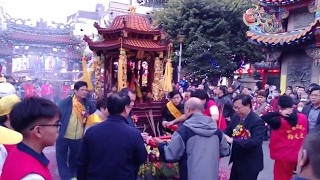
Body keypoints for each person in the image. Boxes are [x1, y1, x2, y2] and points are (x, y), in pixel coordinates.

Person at [154, 97, 230, 180]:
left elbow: (171, 155)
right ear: (202, 109)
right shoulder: (216, 130)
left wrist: (161, 145)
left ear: (188, 109)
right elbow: (225, 151)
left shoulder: (183, 131)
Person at [77, 93, 147, 180]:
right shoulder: (134, 134)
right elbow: (141, 158)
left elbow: (82, 163)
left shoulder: (91, 132)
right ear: (125, 108)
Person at [1, 97, 61, 180]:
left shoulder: (17, 149)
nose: (57, 130)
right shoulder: (33, 177)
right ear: (38, 131)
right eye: (56, 124)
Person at [261, 95, 308, 180]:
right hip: (297, 154)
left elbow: (264, 117)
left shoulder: (279, 121)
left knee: (280, 177)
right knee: (290, 176)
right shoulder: (303, 117)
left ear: (279, 106)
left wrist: (278, 112)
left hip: (282, 155)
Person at [56, 81, 96, 180]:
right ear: (75, 91)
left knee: (75, 159)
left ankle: (72, 176)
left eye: (86, 90)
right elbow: (57, 116)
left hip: (78, 137)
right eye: (82, 90)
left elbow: (94, 115)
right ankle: (65, 177)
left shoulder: (87, 103)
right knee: (61, 158)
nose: (85, 92)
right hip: (64, 135)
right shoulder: (65, 102)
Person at [224, 94, 265, 180]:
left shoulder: (257, 121)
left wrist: (233, 141)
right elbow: (228, 132)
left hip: (250, 163)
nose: (236, 110)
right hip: (237, 160)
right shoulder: (236, 117)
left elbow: (255, 142)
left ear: (247, 106)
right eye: (234, 108)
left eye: (238, 108)